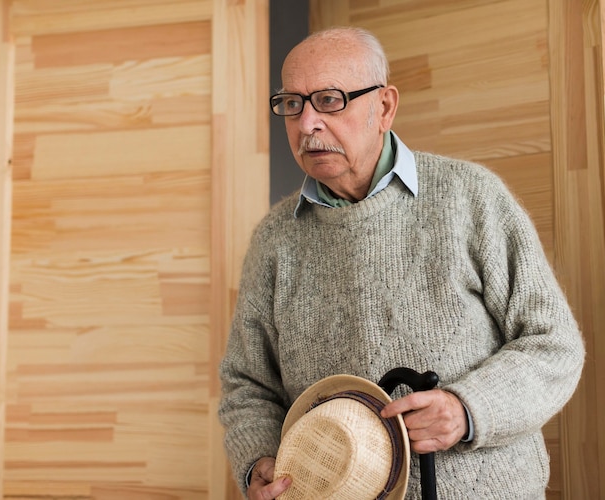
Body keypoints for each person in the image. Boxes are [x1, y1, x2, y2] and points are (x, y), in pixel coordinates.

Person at [218, 26, 585, 499]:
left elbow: (553, 344)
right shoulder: (274, 240)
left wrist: (468, 408)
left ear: (385, 107)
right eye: (292, 103)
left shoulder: (470, 197)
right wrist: (259, 463)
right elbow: (247, 384)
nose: (307, 123)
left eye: (329, 100)